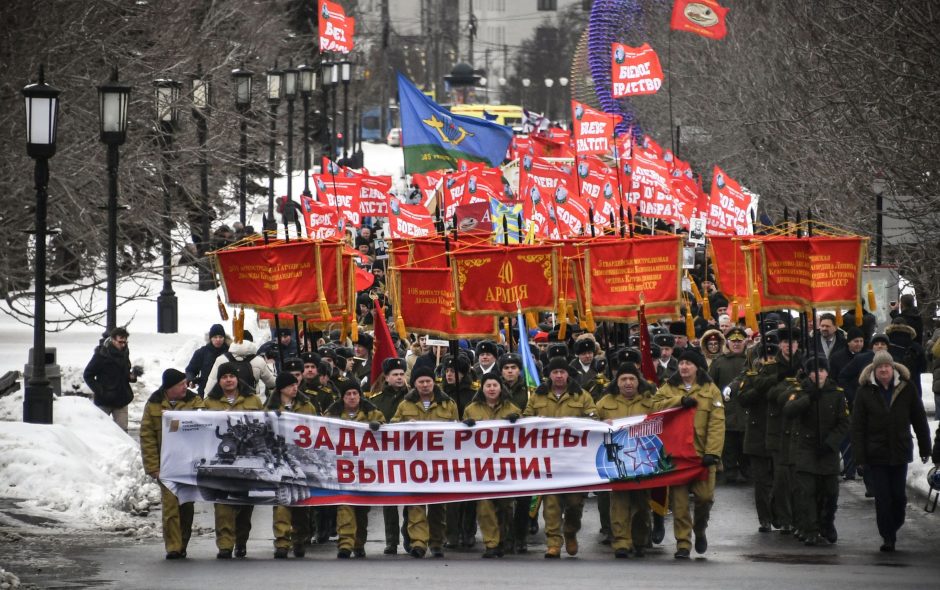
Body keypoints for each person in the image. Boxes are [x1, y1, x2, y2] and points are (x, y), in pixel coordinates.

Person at [851, 350, 932, 552]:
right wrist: (859, 457)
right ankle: (888, 536)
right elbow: (857, 426)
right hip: (876, 453)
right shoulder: (864, 391)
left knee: (898, 497)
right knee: (883, 497)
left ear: (892, 367)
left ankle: (894, 524)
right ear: (874, 370)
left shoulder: (907, 388)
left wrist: (925, 447)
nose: (884, 370)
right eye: (880, 367)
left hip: (899, 450)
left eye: (887, 366)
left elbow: (919, 419)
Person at [652, 349, 724, 559]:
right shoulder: (668, 388)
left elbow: (717, 423)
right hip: (677, 456)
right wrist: (678, 402)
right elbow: (654, 408)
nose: (684, 367)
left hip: (702, 456)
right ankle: (683, 543)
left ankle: (700, 529)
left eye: (689, 364)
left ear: (697, 367)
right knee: (679, 504)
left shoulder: (711, 390)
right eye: (681, 362)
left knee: (704, 498)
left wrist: (712, 452)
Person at [523, 357, 598, 558]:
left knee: (574, 503)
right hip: (547, 461)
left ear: (567, 374)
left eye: (562, 372)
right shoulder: (537, 396)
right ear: (549, 375)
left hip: (574, 462)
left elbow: (594, 419)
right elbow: (526, 421)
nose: (558, 376)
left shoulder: (581, 396)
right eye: (555, 372)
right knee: (551, 504)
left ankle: (570, 531)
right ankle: (553, 542)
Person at [391, 366, 459, 558]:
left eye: (428, 381)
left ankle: (436, 542)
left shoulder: (448, 403)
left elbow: (458, 433)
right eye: (421, 381)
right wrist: (404, 426)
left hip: (440, 463)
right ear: (414, 384)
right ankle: (418, 542)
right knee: (416, 503)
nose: (425, 385)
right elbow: (393, 426)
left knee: (438, 506)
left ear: (434, 382)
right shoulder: (405, 405)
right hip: (414, 463)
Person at [139, 368, 205, 559]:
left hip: (189, 466)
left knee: (186, 506)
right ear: (170, 388)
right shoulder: (153, 404)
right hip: (166, 467)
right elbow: (147, 436)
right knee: (170, 508)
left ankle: (183, 542)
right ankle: (173, 547)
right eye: (181, 384)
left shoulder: (195, 402)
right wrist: (153, 467)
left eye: (186, 383)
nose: (186, 386)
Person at [783, 357, 850, 546]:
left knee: (830, 492)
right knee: (808, 492)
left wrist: (831, 443)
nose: (818, 374)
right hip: (805, 449)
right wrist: (809, 398)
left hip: (827, 451)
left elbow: (844, 422)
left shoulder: (837, 393)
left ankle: (827, 523)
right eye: (814, 371)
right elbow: (789, 410)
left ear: (827, 372)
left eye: (821, 370)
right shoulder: (799, 390)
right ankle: (810, 529)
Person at [204, 362, 264, 559]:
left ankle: (241, 541)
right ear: (219, 381)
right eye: (224, 377)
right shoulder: (209, 403)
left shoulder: (253, 400)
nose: (228, 380)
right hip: (222, 462)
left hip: (248, 461)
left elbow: (264, 428)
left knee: (244, 505)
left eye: (231, 376)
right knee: (222, 504)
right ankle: (225, 545)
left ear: (237, 379)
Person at [596, 363, 656, 558]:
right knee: (619, 503)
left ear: (639, 381)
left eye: (632, 379)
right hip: (616, 463)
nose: (628, 383)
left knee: (641, 504)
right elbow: (589, 424)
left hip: (643, 461)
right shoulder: (605, 403)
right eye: (623, 379)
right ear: (617, 382)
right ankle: (621, 542)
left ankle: (639, 540)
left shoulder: (650, 402)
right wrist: (599, 424)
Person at [462, 374, 522, 558]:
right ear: (482, 388)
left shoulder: (513, 408)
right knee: (484, 505)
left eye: (495, 385)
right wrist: (466, 426)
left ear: (500, 388)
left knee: (505, 506)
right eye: (488, 385)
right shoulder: (471, 409)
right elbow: (461, 439)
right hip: (482, 467)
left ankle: (505, 539)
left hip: (506, 466)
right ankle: (491, 543)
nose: (491, 388)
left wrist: (518, 421)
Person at [325, 380, 386, 558]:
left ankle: (359, 543)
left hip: (366, 470)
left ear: (360, 396)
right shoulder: (331, 415)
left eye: (355, 394)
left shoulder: (373, 413)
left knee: (361, 509)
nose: (352, 397)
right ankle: (345, 544)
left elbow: (387, 432)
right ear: (342, 397)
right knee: (345, 505)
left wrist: (378, 426)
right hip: (341, 468)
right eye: (348, 394)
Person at [266, 372, 318, 558]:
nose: (295, 388)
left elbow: (316, 430)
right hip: (279, 462)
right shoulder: (270, 408)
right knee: (282, 502)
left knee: (301, 504)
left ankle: (299, 539)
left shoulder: (307, 406)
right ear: (281, 389)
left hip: (302, 461)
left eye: (296, 385)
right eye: (290, 386)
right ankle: (281, 542)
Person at [368, 357, 410, 555]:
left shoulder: (413, 397)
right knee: (389, 500)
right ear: (386, 377)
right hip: (386, 456)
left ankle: (410, 537)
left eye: (402, 374)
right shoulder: (375, 401)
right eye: (395, 375)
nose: (399, 378)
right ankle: (391, 540)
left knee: (412, 500)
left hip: (410, 455)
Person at [708, 326, 750, 484]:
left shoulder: (751, 362)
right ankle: (731, 472)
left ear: (745, 342)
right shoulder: (719, 363)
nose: (737, 344)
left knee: (745, 444)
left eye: (740, 341)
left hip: (747, 410)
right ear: (728, 342)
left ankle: (747, 472)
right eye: (733, 341)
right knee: (729, 444)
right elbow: (711, 386)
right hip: (727, 411)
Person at [83, 326, 139, 431]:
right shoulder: (101, 354)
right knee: (101, 431)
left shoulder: (125, 353)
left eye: (125, 342)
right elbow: (88, 375)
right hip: (104, 400)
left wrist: (132, 376)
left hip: (121, 398)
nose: (123, 345)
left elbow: (123, 372)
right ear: (113, 340)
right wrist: (101, 391)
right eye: (120, 342)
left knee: (122, 431)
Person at [204, 330, 276, 398]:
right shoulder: (259, 361)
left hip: (226, 403)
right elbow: (272, 384)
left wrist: (206, 403)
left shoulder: (221, 359)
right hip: (251, 403)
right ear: (251, 343)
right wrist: (270, 366)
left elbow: (211, 385)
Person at [185, 324, 230, 397]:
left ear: (224, 338)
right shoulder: (201, 352)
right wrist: (191, 380)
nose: (218, 339)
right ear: (210, 338)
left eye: (220, 337)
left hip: (226, 393)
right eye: (215, 337)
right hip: (205, 393)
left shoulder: (230, 352)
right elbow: (190, 370)